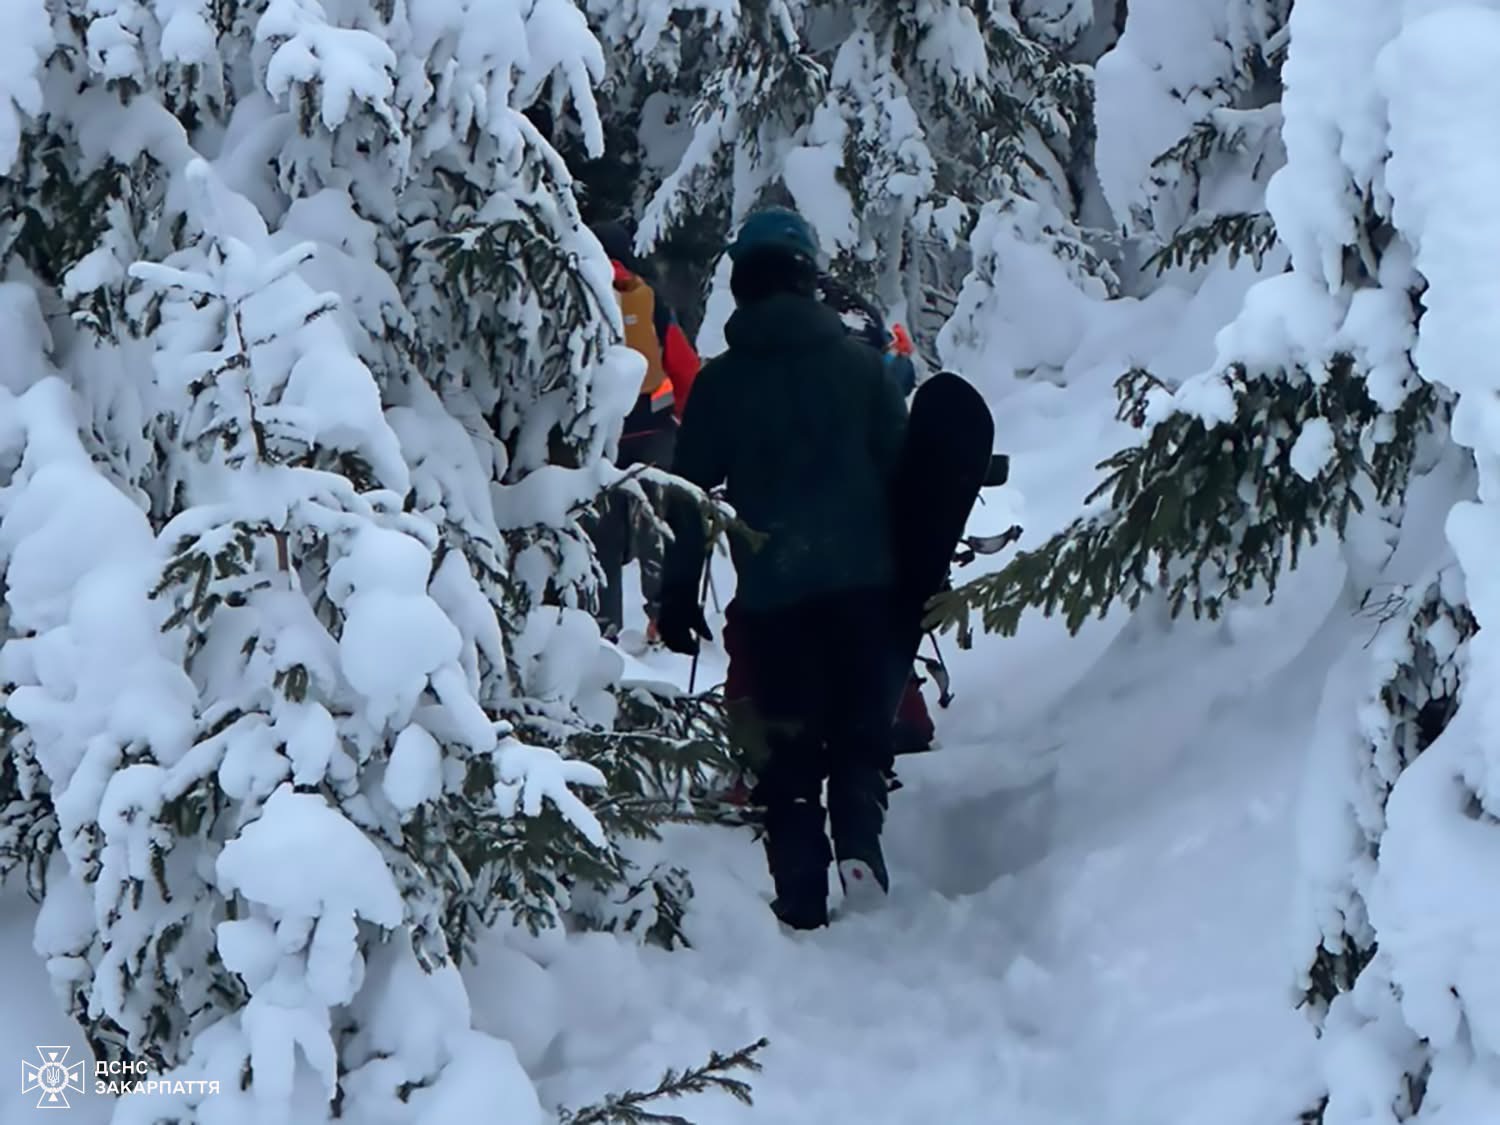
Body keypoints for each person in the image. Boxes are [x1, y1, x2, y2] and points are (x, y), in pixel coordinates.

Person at [655, 207, 908, 930]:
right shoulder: (862, 368)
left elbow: (689, 498)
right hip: (866, 587)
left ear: (742, 285)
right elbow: (905, 470)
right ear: (807, 280)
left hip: (774, 597)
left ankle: (800, 887)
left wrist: (677, 594)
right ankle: (858, 834)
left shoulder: (721, 385)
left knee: (786, 743)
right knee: (859, 729)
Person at [586, 219, 701, 642]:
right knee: (655, 528)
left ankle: (603, 627)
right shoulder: (649, 299)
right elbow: (684, 368)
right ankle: (662, 620)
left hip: (600, 437)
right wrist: (688, 421)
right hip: (654, 429)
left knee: (603, 534)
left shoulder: (577, 295)